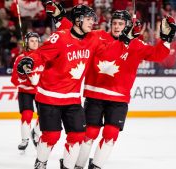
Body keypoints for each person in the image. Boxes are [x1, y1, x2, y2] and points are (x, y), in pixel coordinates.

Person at [46, 3, 176, 168]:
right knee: (89, 134)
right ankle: (77, 165)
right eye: (114, 23)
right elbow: (76, 31)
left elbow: (158, 55)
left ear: (128, 26)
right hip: (95, 95)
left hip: (119, 98)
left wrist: (165, 40)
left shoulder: (136, 45)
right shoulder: (98, 36)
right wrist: (59, 18)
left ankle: (96, 166)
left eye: (121, 24)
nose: (116, 26)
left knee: (111, 134)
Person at [17, 4, 130, 169]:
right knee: (52, 136)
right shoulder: (60, 37)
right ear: (78, 20)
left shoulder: (93, 38)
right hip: (49, 96)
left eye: (93, 19)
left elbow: (109, 52)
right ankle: (41, 162)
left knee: (78, 136)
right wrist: (29, 61)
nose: (93, 22)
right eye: (89, 19)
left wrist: (124, 41)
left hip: (72, 98)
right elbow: (41, 55)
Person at [11, 32, 43, 152]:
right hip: (25, 91)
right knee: (27, 115)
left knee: (44, 116)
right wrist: (23, 75)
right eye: (32, 41)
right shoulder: (20, 58)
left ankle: (35, 131)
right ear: (26, 43)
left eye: (36, 40)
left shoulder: (43, 57)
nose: (35, 43)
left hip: (41, 91)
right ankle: (25, 140)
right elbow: (14, 80)